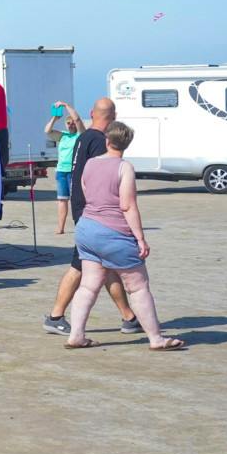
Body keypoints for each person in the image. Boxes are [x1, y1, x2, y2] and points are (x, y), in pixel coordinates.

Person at [58, 123, 183, 350]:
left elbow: (86, 192)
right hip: (114, 232)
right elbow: (127, 206)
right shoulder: (124, 168)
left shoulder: (90, 164)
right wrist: (140, 238)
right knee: (137, 287)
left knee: (87, 286)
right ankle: (156, 339)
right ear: (126, 144)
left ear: (107, 140)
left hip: (86, 230)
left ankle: (76, 335)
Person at [44, 97, 136, 335]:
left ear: (91, 113)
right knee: (80, 266)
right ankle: (55, 316)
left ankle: (129, 316)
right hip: (93, 213)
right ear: (114, 115)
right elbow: (100, 180)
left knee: (104, 265)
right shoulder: (98, 142)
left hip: (82, 208)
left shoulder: (84, 138)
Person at [49, 104, 84, 235]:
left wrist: (65, 105)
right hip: (61, 171)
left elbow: (79, 121)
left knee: (76, 199)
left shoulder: (80, 135)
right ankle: (61, 228)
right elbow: (47, 131)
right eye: (68, 123)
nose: (70, 125)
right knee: (62, 200)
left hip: (74, 171)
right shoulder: (62, 136)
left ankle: (80, 226)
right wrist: (55, 118)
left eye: (72, 123)